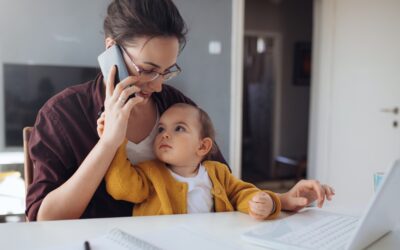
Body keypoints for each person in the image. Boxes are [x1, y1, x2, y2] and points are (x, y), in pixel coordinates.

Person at [26, 0, 334, 221]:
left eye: (165, 71)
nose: (157, 86)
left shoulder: (177, 108)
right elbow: (45, 219)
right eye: (147, 70)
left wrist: (279, 199)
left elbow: (220, 184)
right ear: (112, 50)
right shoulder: (62, 114)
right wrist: (108, 144)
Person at [99, 103, 284, 219]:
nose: (165, 135)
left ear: (203, 147)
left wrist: (266, 202)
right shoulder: (150, 172)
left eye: (179, 128)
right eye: (161, 129)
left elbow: (242, 193)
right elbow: (121, 187)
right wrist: (116, 142)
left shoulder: (218, 172)